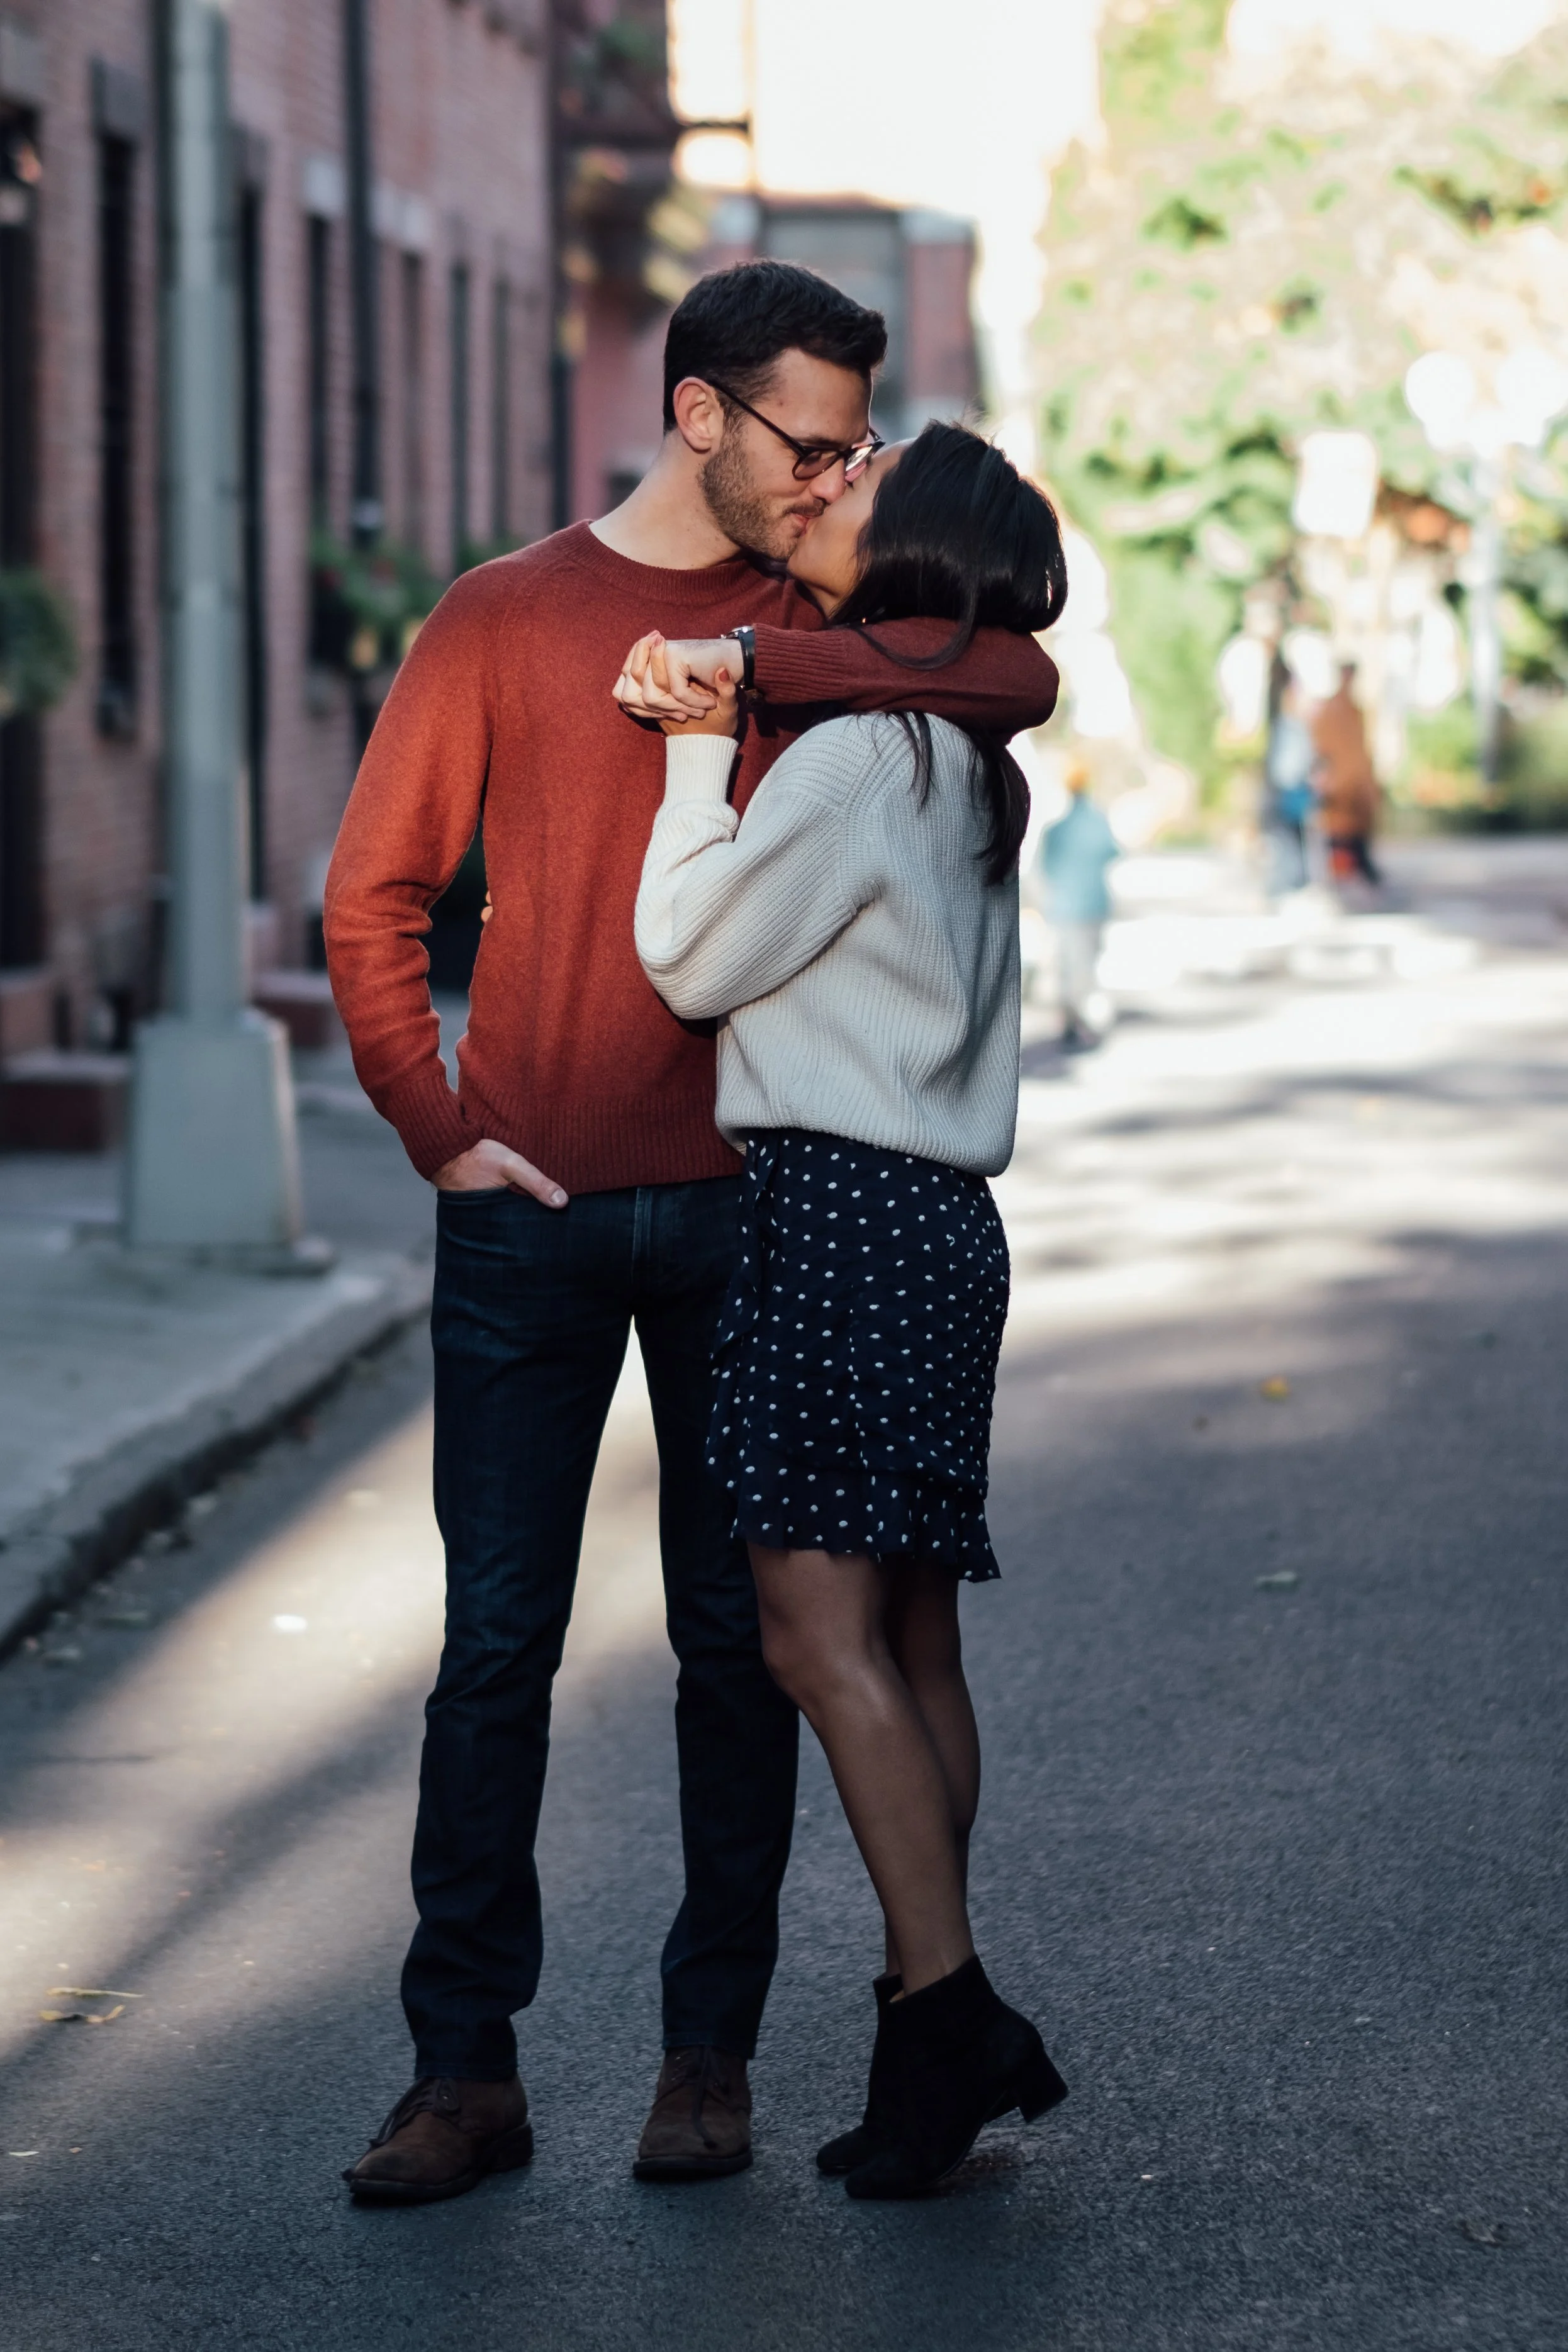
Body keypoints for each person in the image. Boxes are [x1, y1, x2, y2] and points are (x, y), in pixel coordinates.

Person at [323, 262, 1059, 2204]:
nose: (840, 477)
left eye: (858, 448)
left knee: (743, 1654)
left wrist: (749, 669)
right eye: (812, 440)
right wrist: (434, 1124)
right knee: (493, 1649)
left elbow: (1016, 669)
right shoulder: (499, 617)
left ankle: (704, 2061)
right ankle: (459, 2073)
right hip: (527, 1211)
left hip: (759, 1210)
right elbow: (371, 897)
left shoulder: (813, 630)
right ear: (699, 415)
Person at [626, 421, 1072, 2200]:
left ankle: (948, 2011)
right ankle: (924, 2035)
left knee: (814, 1644)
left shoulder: (854, 761)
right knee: (910, 1647)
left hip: (835, 1214)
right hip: (941, 1222)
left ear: (913, 560)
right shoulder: (961, 758)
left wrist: (692, 759)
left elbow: (688, 957)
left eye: (868, 485)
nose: (832, 489)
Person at [1039, 759, 1118, 1049]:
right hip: (1093, 906)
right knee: (1088, 965)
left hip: (1064, 909)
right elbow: (1112, 853)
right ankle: (1084, 1020)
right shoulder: (1099, 823)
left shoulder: (1056, 831)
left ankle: (1074, 1021)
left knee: (1068, 968)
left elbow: (1045, 869)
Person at [1311, 659, 1382, 887]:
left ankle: (1359, 874)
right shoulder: (1330, 710)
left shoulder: (1356, 710)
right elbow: (1321, 747)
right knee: (1339, 835)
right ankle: (1343, 878)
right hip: (1339, 783)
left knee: (1357, 834)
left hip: (1357, 782)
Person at [1261, 654, 1316, 896]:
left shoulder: (1292, 719)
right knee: (1288, 833)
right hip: (1287, 780)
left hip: (1291, 781)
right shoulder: (1285, 720)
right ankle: (1291, 879)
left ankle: (1295, 878)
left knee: (1292, 832)